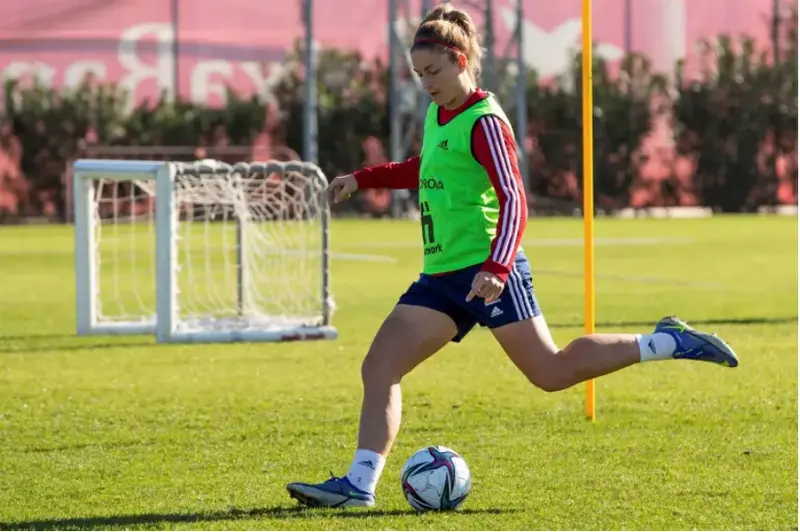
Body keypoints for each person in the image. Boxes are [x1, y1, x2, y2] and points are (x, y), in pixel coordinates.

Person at [286, 2, 738, 509]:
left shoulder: (485, 122)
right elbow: (429, 167)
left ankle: (667, 341)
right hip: (442, 277)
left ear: (460, 61)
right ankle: (359, 485)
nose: (426, 83)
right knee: (379, 366)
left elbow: (514, 198)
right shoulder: (439, 113)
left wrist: (498, 267)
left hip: (487, 269)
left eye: (433, 71)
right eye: (418, 74)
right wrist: (363, 179)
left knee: (551, 372)